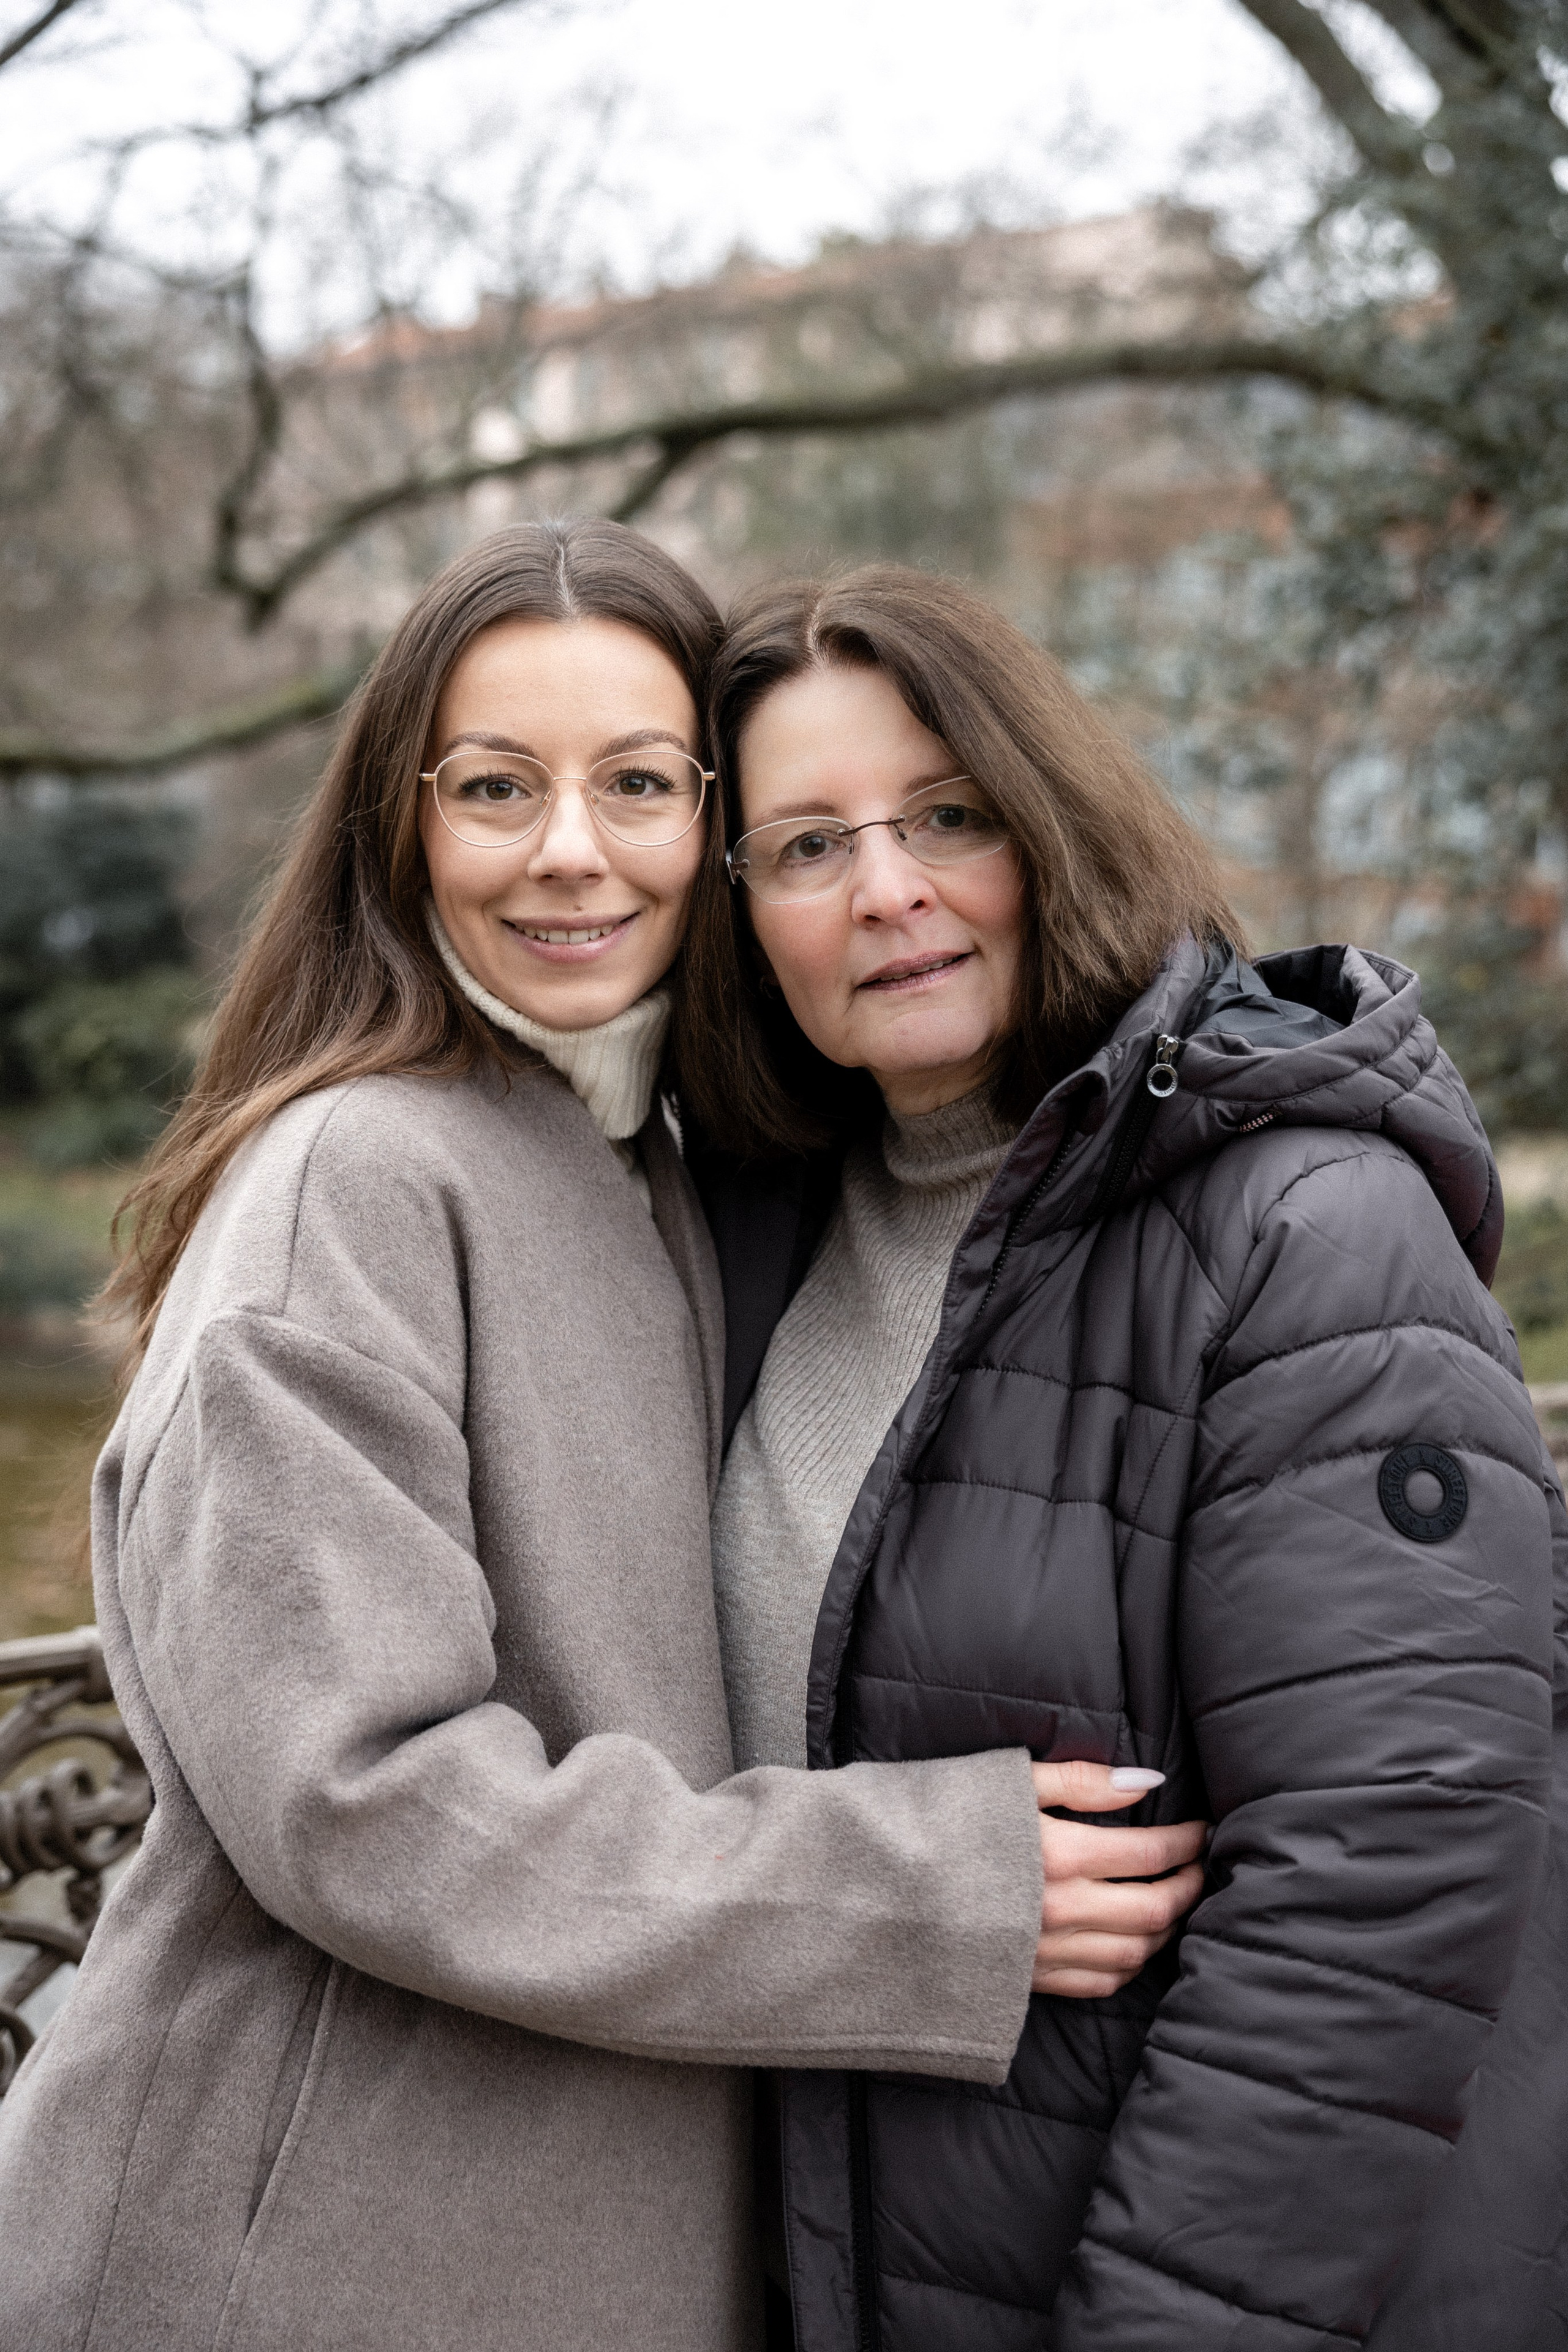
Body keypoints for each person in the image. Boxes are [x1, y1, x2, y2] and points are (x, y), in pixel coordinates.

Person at [0, 522, 1204, 2352]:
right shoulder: (356, 1176)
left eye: (637, 784)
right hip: (295, 2266)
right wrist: (926, 1893)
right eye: (496, 787)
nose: (572, 851)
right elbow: (364, 1799)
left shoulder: (650, 1161)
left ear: (712, 825)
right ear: (398, 827)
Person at [679, 562, 1568, 2352]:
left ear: (1055, 822)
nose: (890, 891)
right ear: (743, 911)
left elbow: (1379, 1895)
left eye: (950, 815)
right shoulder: (750, 1240)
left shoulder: (1308, 1233)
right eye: (805, 846)